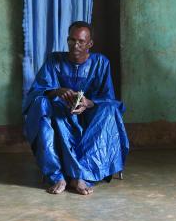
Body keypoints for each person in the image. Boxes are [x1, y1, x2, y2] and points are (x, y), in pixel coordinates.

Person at [23, 21, 129, 195]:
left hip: (90, 115)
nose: (75, 45)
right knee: (41, 104)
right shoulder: (54, 60)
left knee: (110, 109)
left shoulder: (101, 63)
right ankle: (57, 176)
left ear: (90, 44)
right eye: (72, 40)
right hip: (61, 114)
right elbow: (37, 91)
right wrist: (57, 91)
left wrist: (88, 103)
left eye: (81, 41)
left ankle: (80, 175)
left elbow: (107, 97)